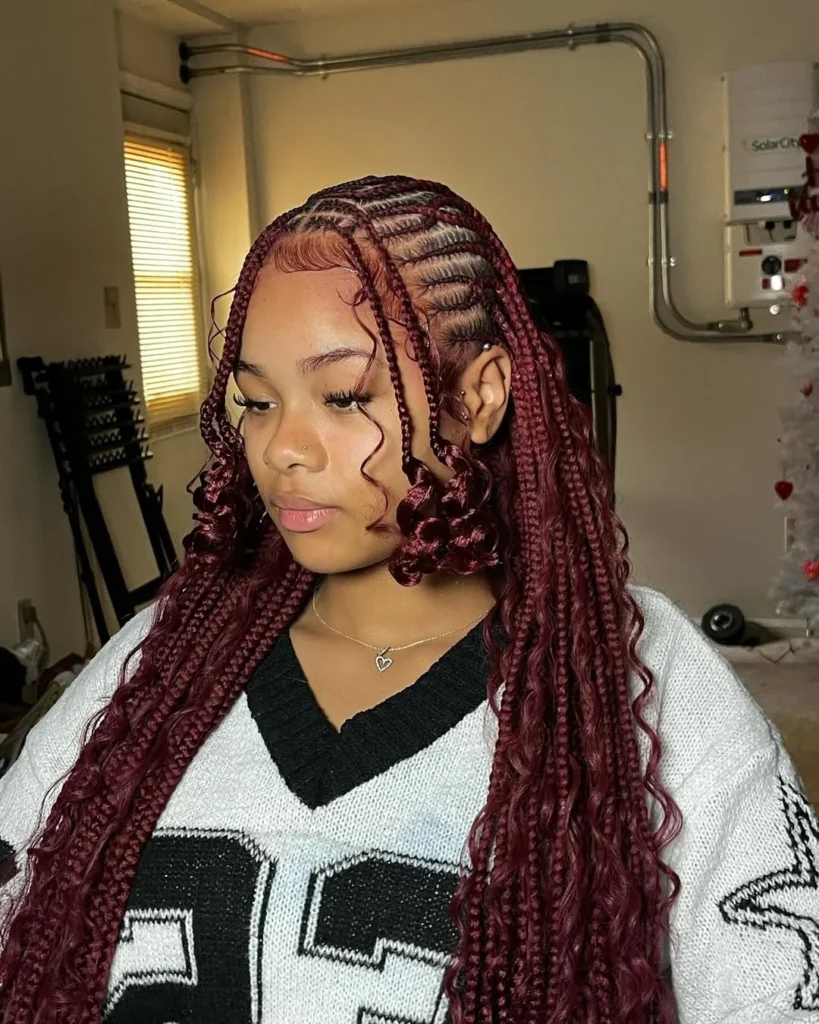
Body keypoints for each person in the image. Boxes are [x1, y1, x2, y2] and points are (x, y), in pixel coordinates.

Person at [0, 176, 817, 1024]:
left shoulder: (639, 674)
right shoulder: (162, 660)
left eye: (345, 396)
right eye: (256, 400)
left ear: (479, 395)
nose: (282, 447)